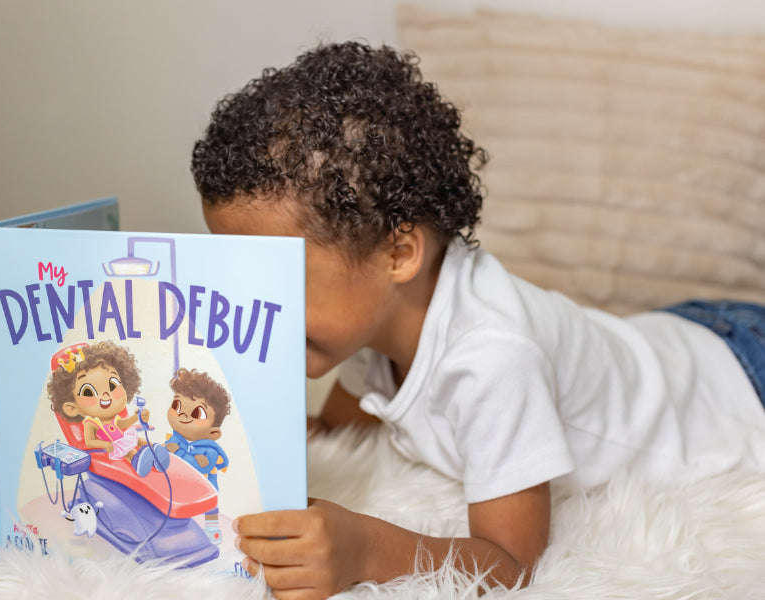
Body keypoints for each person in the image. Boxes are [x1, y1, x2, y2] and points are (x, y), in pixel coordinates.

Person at [190, 41, 765, 599]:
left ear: (398, 253)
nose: (258, 305)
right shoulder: (374, 316)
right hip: (673, 336)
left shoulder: (493, 357)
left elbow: (511, 562)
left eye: (280, 277)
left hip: (740, 378)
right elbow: (337, 431)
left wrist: (364, 548)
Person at [47, 341, 169, 477]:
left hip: (122, 437)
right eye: (88, 392)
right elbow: (89, 442)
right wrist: (103, 444)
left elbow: (120, 425)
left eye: (113, 384)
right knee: (129, 451)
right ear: (72, 408)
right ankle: (137, 461)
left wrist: (136, 418)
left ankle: (156, 451)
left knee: (139, 441)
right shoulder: (90, 424)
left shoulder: (114, 419)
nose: (106, 395)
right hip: (112, 445)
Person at [164, 367, 231, 544]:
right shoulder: (175, 439)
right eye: (177, 406)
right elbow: (165, 456)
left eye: (197, 413)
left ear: (213, 433)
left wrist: (176, 452)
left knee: (210, 508)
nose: (183, 415)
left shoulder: (210, 449)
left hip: (205, 486)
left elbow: (198, 466)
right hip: (179, 484)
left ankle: (211, 530)